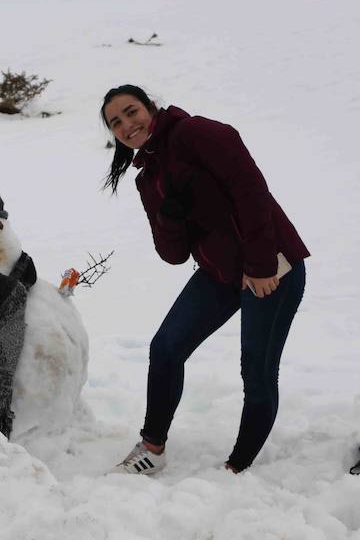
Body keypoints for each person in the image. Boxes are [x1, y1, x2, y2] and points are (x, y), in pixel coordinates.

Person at [101, 85, 310, 475]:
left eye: (132, 112)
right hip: (220, 275)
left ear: (151, 107)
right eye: (116, 122)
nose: (128, 125)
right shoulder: (147, 178)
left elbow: (251, 191)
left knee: (257, 370)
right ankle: (152, 448)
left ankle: (237, 467)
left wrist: (261, 264)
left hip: (270, 266)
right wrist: (171, 216)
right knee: (165, 348)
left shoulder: (195, 134)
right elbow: (173, 254)